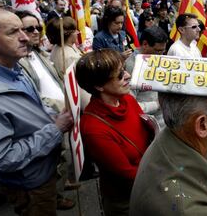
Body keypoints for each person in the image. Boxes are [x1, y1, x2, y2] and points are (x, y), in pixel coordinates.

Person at [0, 7, 73, 215]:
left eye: (23, 30)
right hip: (30, 185)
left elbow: (33, 111)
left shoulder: (16, 68)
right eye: (12, 32)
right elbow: (4, 159)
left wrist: (53, 116)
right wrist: (54, 130)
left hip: (44, 173)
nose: (25, 38)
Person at [75, 49, 155, 216]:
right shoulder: (93, 128)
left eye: (124, 69)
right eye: (119, 75)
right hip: (127, 199)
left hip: (151, 183)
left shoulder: (128, 99)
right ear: (99, 86)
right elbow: (127, 174)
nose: (127, 75)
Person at [125, 26, 168, 129]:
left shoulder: (154, 59)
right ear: (145, 44)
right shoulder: (132, 67)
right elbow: (130, 105)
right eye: (158, 51)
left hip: (162, 121)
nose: (161, 55)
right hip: (147, 125)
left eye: (163, 51)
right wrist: (156, 104)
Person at [46, 16, 91, 109]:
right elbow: (80, 86)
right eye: (75, 31)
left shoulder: (59, 47)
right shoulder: (69, 56)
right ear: (68, 34)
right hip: (80, 101)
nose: (77, 33)